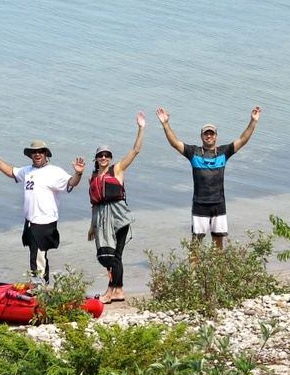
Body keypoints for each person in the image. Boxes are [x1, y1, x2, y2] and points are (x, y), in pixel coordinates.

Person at [156, 106, 261, 249]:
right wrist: (165, 124)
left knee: (218, 242)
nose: (209, 136)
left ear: (216, 136)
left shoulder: (224, 152)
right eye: (206, 134)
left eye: (212, 134)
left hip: (218, 204)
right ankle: (194, 272)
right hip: (200, 204)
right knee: (196, 243)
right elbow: (175, 143)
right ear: (202, 136)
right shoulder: (194, 152)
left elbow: (243, 140)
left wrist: (253, 121)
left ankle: (217, 272)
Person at [0, 139, 84, 282]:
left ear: (46, 154)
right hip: (30, 221)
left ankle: (40, 289)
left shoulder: (55, 171)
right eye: (34, 152)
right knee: (36, 255)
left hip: (45, 221)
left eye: (40, 152)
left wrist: (78, 174)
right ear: (30, 155)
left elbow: (71, 183)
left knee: (38, 257)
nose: (37, 154)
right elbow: (10, 171)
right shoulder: (27, 171)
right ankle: (40, 285)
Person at [86, 111, 146, 302]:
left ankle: (114, 291)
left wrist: (141, 128)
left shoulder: (117, 170)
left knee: (115, 255)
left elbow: (135, 151)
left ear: (110, 158)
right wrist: (91, 226)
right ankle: (116, 289)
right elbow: (94, 204)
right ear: (96, 159)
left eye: (107, 155)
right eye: (100, 155)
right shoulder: (92, 178)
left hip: (119, 217)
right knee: (105, 255)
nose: (104, 158)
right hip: (102, 219)